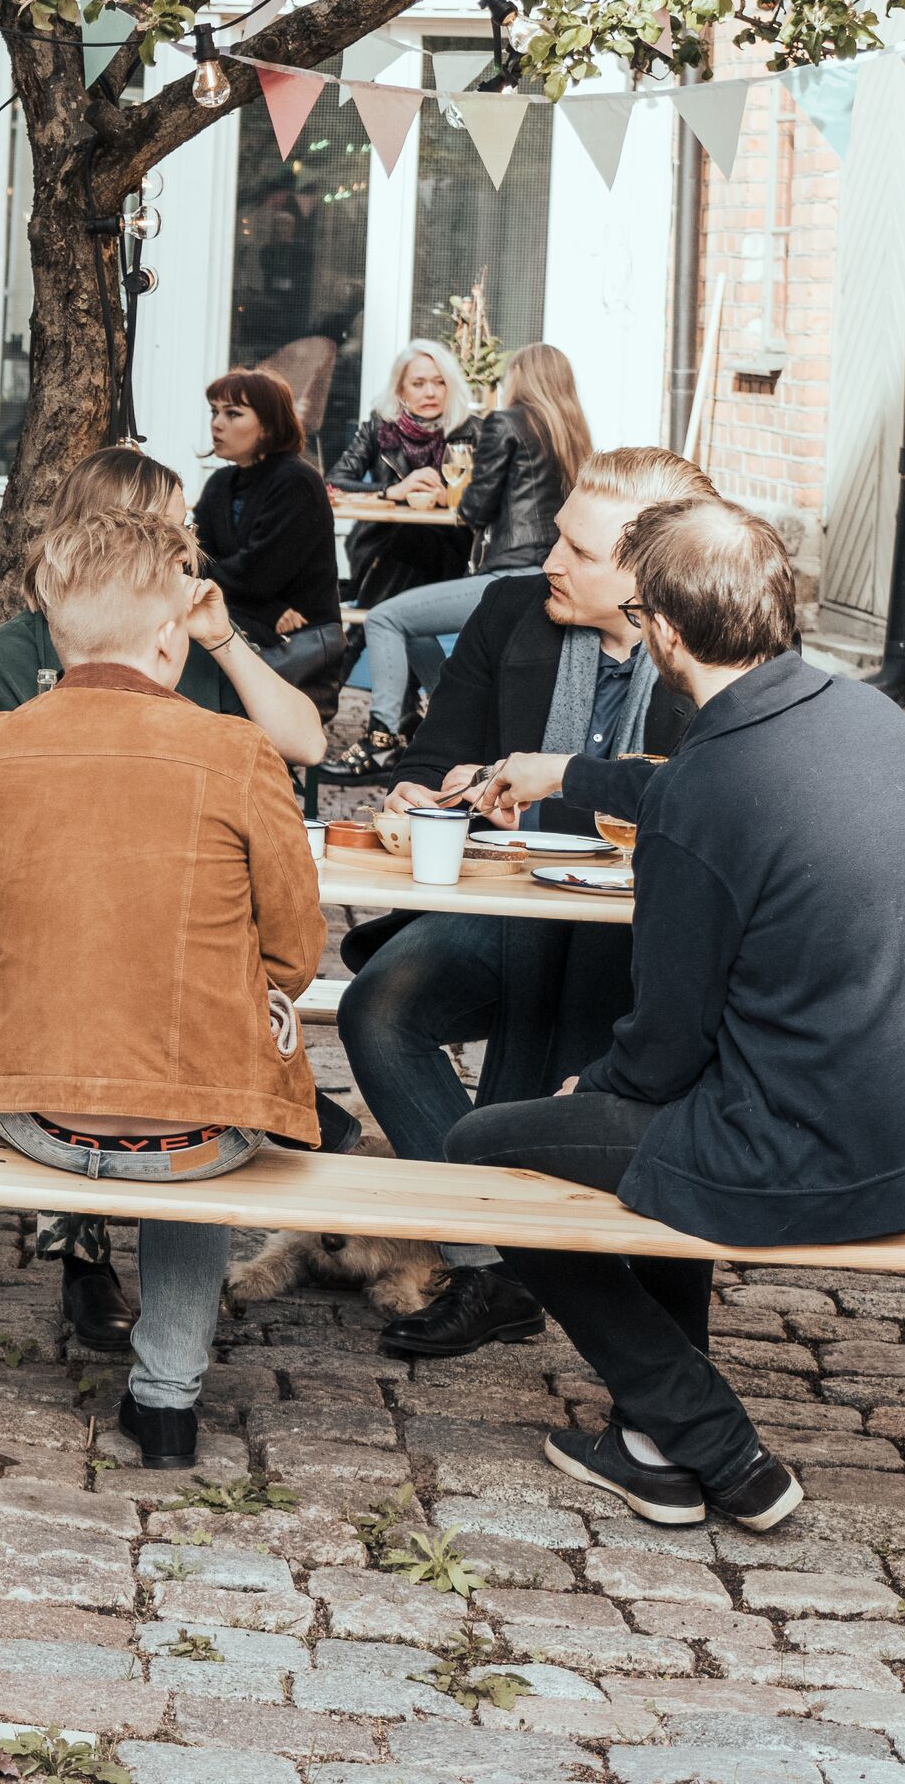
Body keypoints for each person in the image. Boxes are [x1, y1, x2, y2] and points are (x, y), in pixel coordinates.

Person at [449, 495, 905, 1532]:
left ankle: (711, 1442)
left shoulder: (710, 793)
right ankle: (655, 1440)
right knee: (649, 1135)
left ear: (659, 628)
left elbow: (662, 1047)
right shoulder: (863, 716)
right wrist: (569, 771)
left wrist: (589, 1086)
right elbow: (696, 789)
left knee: (483, 1150)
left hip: (821, 1156)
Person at [0, 508, 326, 1470]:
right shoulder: (239, 754)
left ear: (55, 630)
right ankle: (167, 1402)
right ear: (169, 633)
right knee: (191, 1116)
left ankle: (131, 1337)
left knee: (164, 1087)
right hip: (194, 1132)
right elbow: (300, 951)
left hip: (27, 1104)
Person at [331, 445, 708, 1360]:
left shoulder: (714, 642)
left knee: (560, 966)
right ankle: (496, 1254)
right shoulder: (512, 613)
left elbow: (711, 794)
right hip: (503, 902)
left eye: (578, 550)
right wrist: (422, 794)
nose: (548, 559)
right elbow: (429, 762)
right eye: (556, 537)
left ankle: (529, 1266)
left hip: (641, 938)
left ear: (647, 573)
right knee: (378, 1010)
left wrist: (563, 782)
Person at [0, 447, 328, 769]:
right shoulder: (8, 658)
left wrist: (223, 640)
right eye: (168, 533)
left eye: (187, 528)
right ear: (106, 536)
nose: (187, 552)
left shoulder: (198, 637)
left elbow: (307, 746)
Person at [350, 343, 591, 752]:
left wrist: (449, 495)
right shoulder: (571, 431)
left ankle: (382, 739)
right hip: (550, 573)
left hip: (510, 574)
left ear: (519, 378)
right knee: (411, 630)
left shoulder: (506, 422)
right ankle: (455, 713)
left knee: (384, 619)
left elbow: (475, 508)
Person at [191, 370, 340, 693]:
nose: (217, 423)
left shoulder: (296, 481)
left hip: (296, 641)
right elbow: (194, 560)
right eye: (214, 412)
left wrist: (215, 581)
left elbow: (258, 574)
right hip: (256, 624)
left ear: (269, 424)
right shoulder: (221, 484)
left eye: (233, 413)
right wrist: (270, 610)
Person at [323, 340, 476, 613]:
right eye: (418, 384)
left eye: (439, 382)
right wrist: (392, 490)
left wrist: (451, 497)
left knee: (416, 536)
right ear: (401, 390)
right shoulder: (379, 428)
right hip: (382, 544)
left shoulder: (473, 430)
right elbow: (334, 483)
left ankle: (353, 643)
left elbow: (491, 496)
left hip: (451, 548)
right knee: (410, 537)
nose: (430, 392)